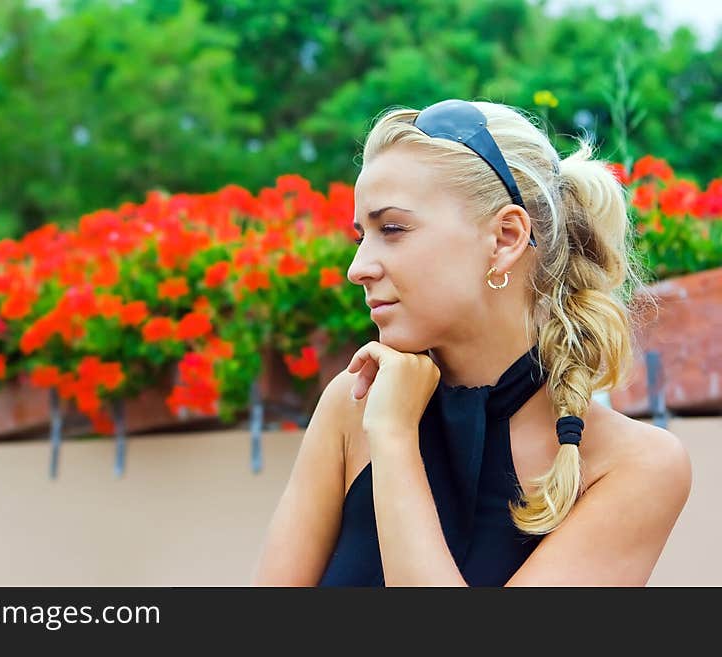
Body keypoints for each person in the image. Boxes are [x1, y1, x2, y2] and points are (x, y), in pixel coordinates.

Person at [250, 99, 692, 586]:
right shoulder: (351, 405)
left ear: (504, 238)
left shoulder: (634, 465)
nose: (358, 269)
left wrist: (395, 440)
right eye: (362, 236)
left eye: (391, 229)